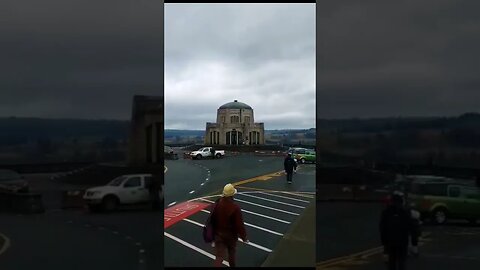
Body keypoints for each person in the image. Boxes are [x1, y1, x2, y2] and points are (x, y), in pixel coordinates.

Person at [212, 184, 248, 267]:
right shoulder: (235, 207)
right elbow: (239, 225)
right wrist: (244, 237)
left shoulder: (217, 204)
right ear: (232, 195)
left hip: (218, 234)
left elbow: (212, 220)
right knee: (231, 253)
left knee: (219, 256)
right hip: (231, 236)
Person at [379, 193, 412, 270]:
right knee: (401, 262)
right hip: (402, 241)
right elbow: (409, 226)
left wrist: (384, 242)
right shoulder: (405, 212)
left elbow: (382, 228)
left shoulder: (386, 212)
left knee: (391, 262)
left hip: (390, 241)